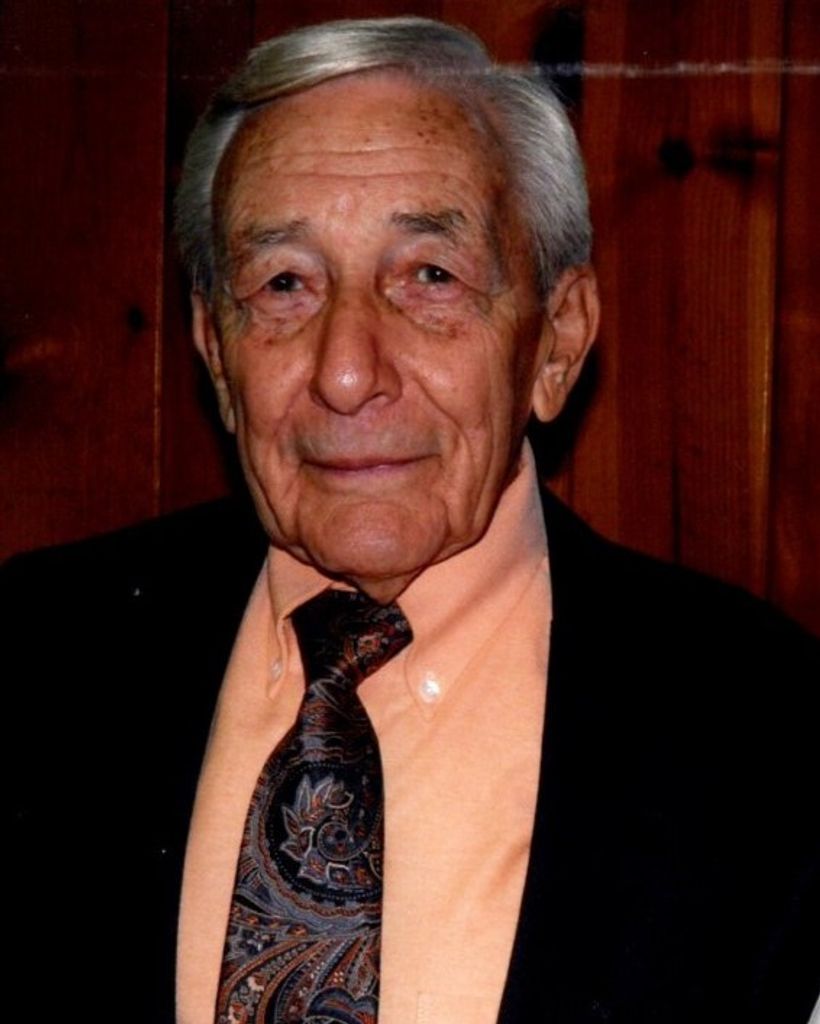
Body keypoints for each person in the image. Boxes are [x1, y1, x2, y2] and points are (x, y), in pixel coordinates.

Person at [5, 17, 818, 1024]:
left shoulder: (772, 732)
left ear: (556, 342)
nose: (348, 372)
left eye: (430, 276)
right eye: (285, 285)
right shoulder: (30, 658)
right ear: (215, 351)